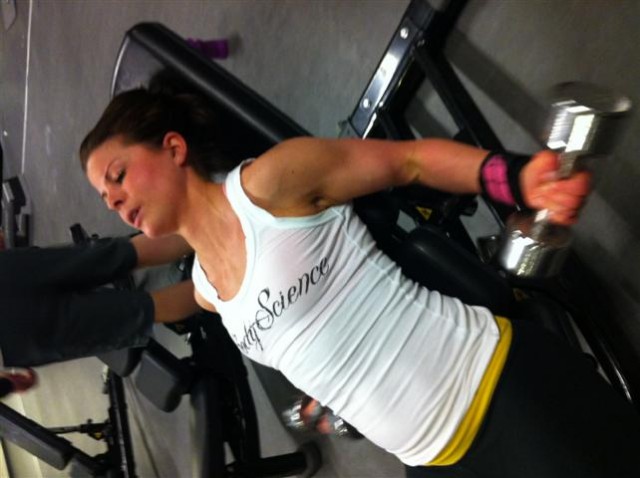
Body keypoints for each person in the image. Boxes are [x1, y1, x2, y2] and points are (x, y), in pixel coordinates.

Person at [80, 87, 640, 478]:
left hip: (493, 389)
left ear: (173, 149)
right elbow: (175, 307)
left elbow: (409, 162)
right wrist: (85, 315)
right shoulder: (207, 288)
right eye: (105, 197)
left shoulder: (269, 186)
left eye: (118, 176)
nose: (114, 201)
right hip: (429, 460)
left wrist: (514, 177)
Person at [0, 229, 200, 371]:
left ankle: (219, 282)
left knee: (141, 311)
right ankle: (211, 228)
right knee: (120, 254)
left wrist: (7, 385)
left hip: (15, 335)